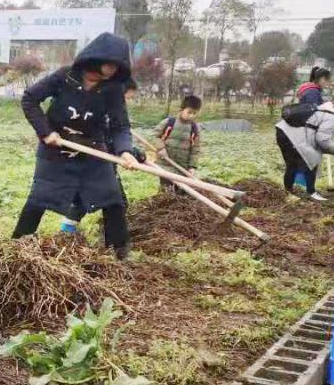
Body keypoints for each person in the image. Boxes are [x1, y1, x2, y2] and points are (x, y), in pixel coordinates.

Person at [13, 32, 137, 259]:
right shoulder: (64, 77)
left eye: (117, 67)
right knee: (39, 199)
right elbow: (30, 99)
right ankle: (17, 247)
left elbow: (120, 125)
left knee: (112, 199)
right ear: (97, 59)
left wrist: (125, 151)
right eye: (110, 64)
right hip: (56, 152)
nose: (113, 70)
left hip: (93, 152)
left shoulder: (113, 90)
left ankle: (120, 252)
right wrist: (46, 131)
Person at [274, 98, 334, 202]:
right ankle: (310, 192)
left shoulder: (327, 111)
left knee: (295, 164)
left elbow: (321, 142)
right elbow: (322, 140)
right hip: (291, 135)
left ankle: (290, 192)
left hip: (284, 131)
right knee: (312, 160)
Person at [154, 94, 203, 192]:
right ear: (181, 110)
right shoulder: (168, 122)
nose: (191, 115)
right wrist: (161, 148)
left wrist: (192, 166)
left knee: (180, 193)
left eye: (194, 113)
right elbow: (154, 136)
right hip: (165, 164)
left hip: (182, 168)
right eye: (189, 112)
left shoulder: (195, 128)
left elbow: (195, 150)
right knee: (166, 191)